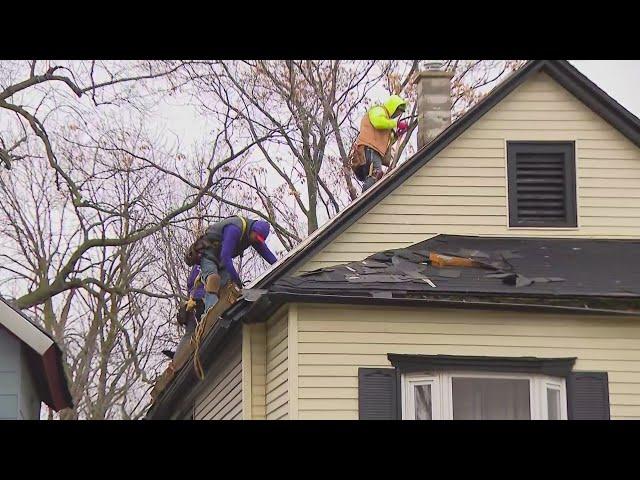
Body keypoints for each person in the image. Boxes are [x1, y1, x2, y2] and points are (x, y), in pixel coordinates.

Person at [184, 215, 278, 318]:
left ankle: (225, 311)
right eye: (256, 238)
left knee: (228, 287)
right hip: (207, 254)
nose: (257, 241)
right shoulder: (234, 229)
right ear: (254, 231)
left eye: (259, 240)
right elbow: (226, 256)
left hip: (221, 259)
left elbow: (268, 255)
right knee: (213, 279)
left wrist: (279, 266)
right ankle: (210, 313)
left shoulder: (253, 236)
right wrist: (237, 280)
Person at [352, 94, 409, 192]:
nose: (397, 115)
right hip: (369, 149)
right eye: (397, 111)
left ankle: (366, 199)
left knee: (374, 177)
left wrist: (396, 136)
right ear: (393, 107)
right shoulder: (378, 110)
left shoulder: (387, 122)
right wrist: (396, 123)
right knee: (374, 174)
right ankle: (367, 201)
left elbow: (386, 141)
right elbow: (378, 122)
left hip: (373, 151)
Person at [166, 264, 206, 361]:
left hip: (192, 303)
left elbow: (189, 284)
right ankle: (181, 357)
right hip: (201, 301)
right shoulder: (206, 264)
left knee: (190, 333)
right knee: (202, 330)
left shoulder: (195, 268)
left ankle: (177, 357)